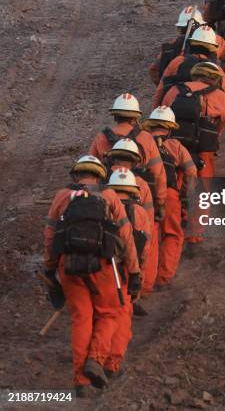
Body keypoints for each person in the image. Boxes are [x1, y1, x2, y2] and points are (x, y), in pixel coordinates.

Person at [43, 155, 140, 397]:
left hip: (70, 267)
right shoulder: (109, 197)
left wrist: (50, 269)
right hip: (104, 266)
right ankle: (96, 360)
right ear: (100, 175)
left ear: (76, 174)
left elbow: (50, 236)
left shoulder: (61, 197)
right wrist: (135, 271)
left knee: (81, 319)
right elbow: (126, 237)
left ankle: (81, 381)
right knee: (110, 313)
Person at [161, 62, 225, 249]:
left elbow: (158, 121)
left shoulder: (173, 92)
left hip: (172, 149)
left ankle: (171, 231)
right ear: (216, 79)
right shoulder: (219, 97)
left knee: (172, 190)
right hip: (203, 154)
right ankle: (193, 240)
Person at [141, 106, 197, 291]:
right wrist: (187, 197)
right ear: (171, 127)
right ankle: (163, 278)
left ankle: (144, 282)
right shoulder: (175, 146)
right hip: (170, 197)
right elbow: (191, 171)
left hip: (145, 196)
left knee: (148, 237)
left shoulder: (141, 143)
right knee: (172, 234)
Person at [89, 93, 167, 222]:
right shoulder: (146, 138)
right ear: (136, 117)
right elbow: (158, 173)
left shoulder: (101, 137)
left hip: (108, 194)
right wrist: (160, 202)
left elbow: (90, 173)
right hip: (140, 193)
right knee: (146, 233)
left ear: (115, 116)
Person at [104, 167, 151, 372]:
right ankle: (112, 363)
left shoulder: (103, 206)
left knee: (100, 315)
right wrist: (137, 273)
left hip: (100, 270)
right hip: (124, 271)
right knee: (122, 315)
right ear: (133, 190)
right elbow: (145, 248)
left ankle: (95, 358)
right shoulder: (139, 212)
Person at [104, 138, 155, 315]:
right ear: (135, 160)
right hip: (128, 262)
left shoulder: (101, 183)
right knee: (118, 315)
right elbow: (146, 236)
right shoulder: (141, 186)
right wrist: (138, 274)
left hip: (102, 260)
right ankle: (133, 301)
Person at [148, 6, 225, 86]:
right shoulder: (216, 41)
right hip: (208, 89)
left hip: (179, 93)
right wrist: (219, 78)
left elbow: (154, 71)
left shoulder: (174, 45)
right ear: (200, 24)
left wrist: (169, 88)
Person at [152, 25, 225, 109]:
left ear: (191, 44)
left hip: (175, 108)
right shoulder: (216, 69)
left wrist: (157, 113)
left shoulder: (177, 61)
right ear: (213, 49)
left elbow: (161, 89)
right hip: (206, 111)